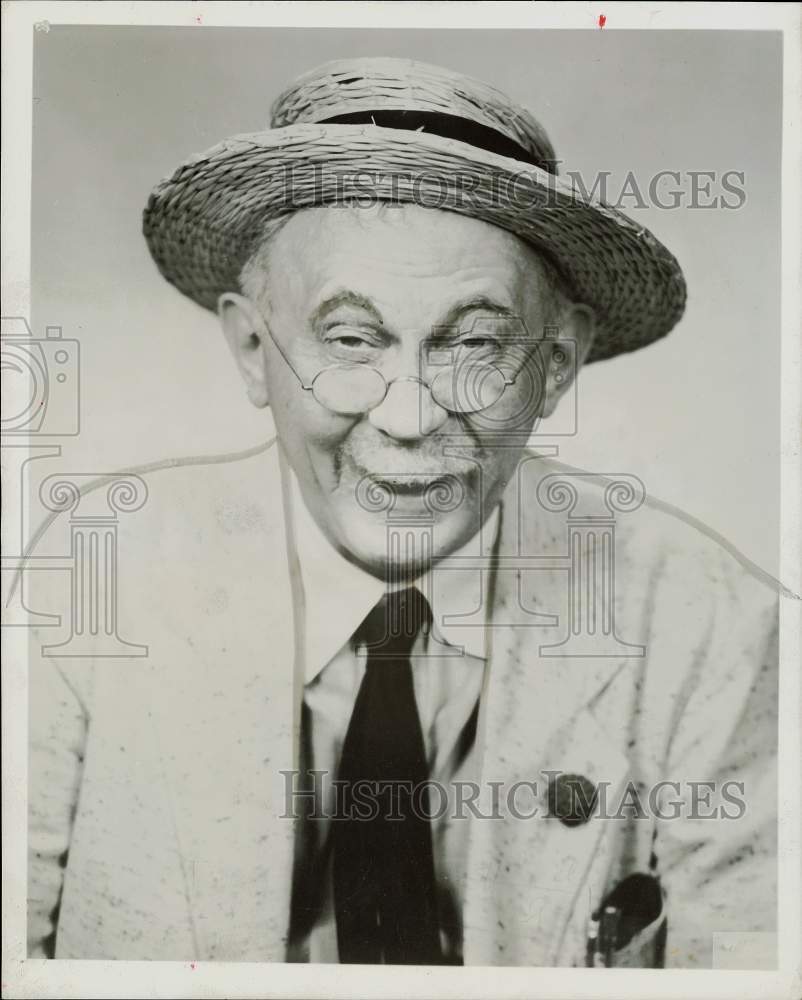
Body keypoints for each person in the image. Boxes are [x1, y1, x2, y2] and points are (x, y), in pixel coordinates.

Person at [27, 57, 778, 968]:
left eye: (474, 345)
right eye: (350, 340)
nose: (410, 417)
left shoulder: (711, 622)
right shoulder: (100, 579)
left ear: (558, 366)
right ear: (253, 344)